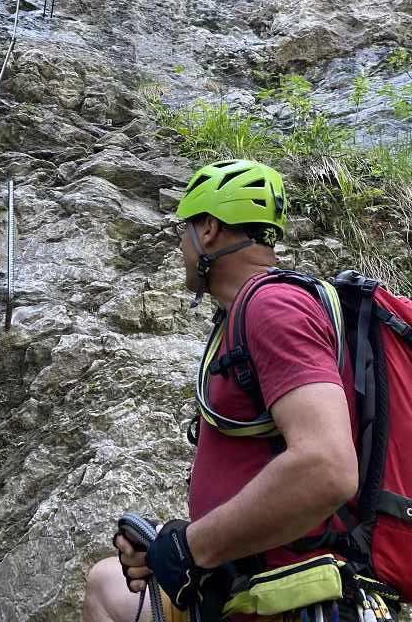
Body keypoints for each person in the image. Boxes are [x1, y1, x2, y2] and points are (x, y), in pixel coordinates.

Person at [83, 159, 359, 622]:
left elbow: (327, 467)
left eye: (184, 229)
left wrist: (192, 548)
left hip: (283, 591)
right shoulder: (253, 309)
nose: (181, 245)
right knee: (106, 585)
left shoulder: (273, 309)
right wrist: (173, 542)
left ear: (208, 229)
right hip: (245, 569)